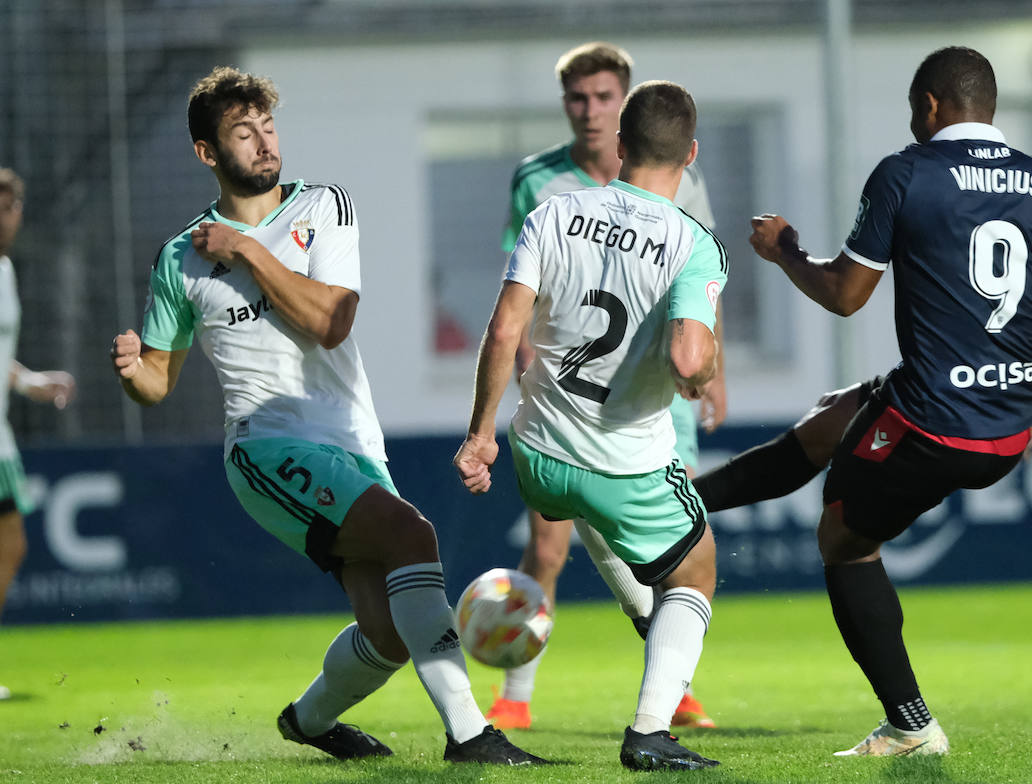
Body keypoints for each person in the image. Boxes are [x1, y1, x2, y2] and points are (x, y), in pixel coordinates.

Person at [108, 67, 546, 765]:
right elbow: (159, 383)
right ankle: (471, 737)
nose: (263, 143)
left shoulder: (324, 207)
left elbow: (332, 322)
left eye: (268, 127)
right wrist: (135, 373)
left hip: (351, 441)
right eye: (242, 133)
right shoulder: (179, 259)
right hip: (266, 445)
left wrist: (248, 251)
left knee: (389, 632)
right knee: (412, 534)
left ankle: (308, 721)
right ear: (207, 153)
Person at [747, 47, 1032, 757]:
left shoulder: (906, 172)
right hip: (1011, 432)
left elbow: (845, 295)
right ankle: (686, 504)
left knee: (843, 540)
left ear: (928, 105)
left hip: (929, 421)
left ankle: (911, 725)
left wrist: (785, 251)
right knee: (837, 415)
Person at [456, 80, 725, 771]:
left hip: (536, 452)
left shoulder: (552, 213)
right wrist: (703, 365)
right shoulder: (693, 244)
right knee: (695, 569)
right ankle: (650, 731)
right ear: (689, 155)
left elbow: (501, 330)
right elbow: (688, 360)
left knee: (591, 519)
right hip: (622, 463)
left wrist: (481, 435)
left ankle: (648, 621)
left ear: (622, 144)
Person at [0, 167, 77, 701]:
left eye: (11, 206)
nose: (8, 216)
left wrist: (30, 384)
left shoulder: (4, 270)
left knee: (11, 545)